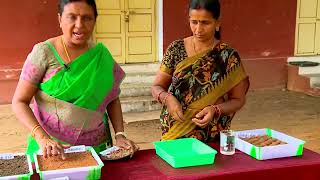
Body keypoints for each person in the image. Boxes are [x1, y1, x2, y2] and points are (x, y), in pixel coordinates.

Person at [12, 0, 138, 161]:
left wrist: (120, 134)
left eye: (87, 18)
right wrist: (41, 138)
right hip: (52, 150)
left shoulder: (101, 56)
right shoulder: (43, 52)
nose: (79, 25)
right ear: (60, 19)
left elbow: (112, 97)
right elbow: (19, 101)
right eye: (72, 17)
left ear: (95, 21)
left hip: (95, 150)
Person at [151, 0, 249, 142]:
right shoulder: (176, 49)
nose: (198, 29)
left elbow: (238, 100)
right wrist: (168, 99)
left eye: (205, 23)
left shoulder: (227, 56)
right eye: (194, 22)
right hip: (175, 130)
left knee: (210, 164)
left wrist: (215, 110)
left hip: (212, 134)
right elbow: (156, 86)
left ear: (217, 23)